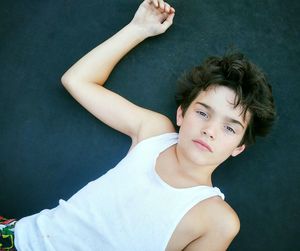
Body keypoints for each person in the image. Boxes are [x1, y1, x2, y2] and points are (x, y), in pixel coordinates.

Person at [0, 0, 276, 250]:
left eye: (230, 128)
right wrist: (139, 28)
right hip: (16, 238)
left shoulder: (218, 220)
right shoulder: (154, 133)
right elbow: (77, 80)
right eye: (203, 113)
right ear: (181, 114)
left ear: (239, 147)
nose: (210, 130)